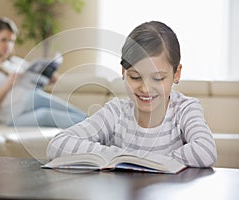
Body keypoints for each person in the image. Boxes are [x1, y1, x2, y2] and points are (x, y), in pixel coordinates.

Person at [46, 21, 217, 167]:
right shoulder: (116, 112)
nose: (145, 88)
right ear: (123, 72)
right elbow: (57, 145)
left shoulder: (185, 109)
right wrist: (116, 156)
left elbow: (206, 150)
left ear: (176, 74)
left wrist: (142, 161)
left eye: (158, 78)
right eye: (135, 77)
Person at [0, 17, 86, 128]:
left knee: (38, 101)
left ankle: (92, 123)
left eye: (11, 41)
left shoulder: (16, 62)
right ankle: (94, 124)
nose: (8, 45)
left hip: (30, 102)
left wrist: (47, 78)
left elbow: (33, 81)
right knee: (44, 113)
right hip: (10, 117)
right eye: (3, 40)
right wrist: (8, 84)